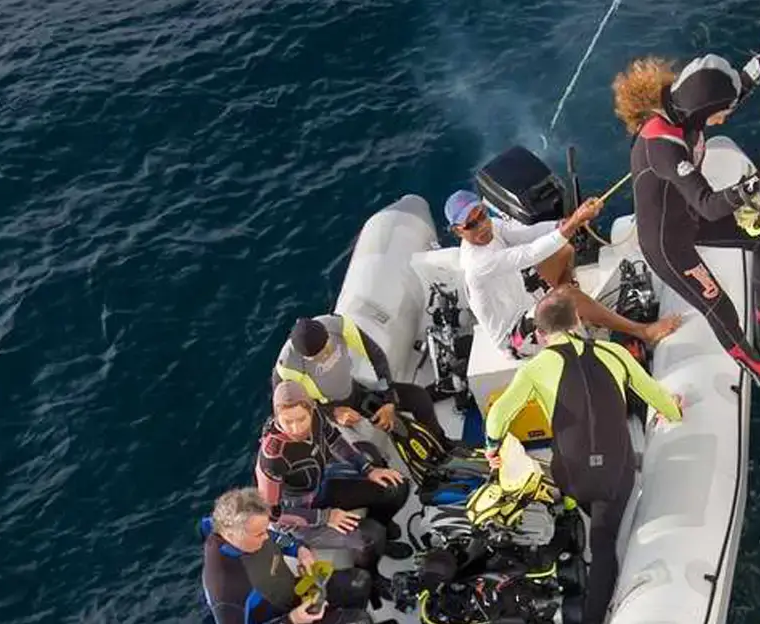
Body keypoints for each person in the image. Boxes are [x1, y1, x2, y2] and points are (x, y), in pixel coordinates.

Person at [485, 290, 683, 624]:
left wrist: (492, 449)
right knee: (604, 544)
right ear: (578, 321)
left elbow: (498, 416)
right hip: (616, 478)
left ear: (541, 335)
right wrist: (673, 411)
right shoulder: (616, 352)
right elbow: (655, 395)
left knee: (577, 491)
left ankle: (575, 528)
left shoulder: (533, 367)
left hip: (571, 478)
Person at [613, 51, 760, 395]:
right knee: (718, 304)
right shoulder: (662, 145)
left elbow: (734, 90)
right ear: (702, 110)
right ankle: (759, 371)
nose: (725, 118)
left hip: (690, 217)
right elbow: (710, 205)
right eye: (721, 113)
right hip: (669, 243)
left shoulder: (686, 110)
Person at [201, 488, 397, 624]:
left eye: (265, 529)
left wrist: (299, 549)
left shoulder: (239, 530)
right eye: (259, 534)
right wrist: (293, 619)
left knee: (360, 581)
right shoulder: (223, 583)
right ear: (231, 535)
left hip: (289, 594)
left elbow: (276, 538)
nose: (266, 537)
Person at [445, 190, 680, 355]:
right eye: (471, 224)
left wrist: (566, 222)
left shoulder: (492, 227)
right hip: (515, 339)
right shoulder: (477, 264)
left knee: (564, 251)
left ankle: (577, 315)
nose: (482, 225)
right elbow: (529, 254)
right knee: (567, 294)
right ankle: (643, 331)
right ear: (458, 231)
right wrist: (575, 221)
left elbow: (529, 233)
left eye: (482, 215)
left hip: (527, 302)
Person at [255, 381, 411, 563]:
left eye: (301, 419)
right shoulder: (273, 457)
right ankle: (372, 570)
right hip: (300, 517)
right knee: (371, 536)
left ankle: (383, 527)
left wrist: (367, 469)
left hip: (321, 486)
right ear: (276, 416)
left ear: (311, 409)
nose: (296, 429)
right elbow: (272, 513)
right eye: (287, 422)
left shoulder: (317, 416)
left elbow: (334, 440)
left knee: (396, 487)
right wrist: (325, 517)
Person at [274, 313, 449, 445]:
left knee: (419, 397)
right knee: (369, 457)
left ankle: (442, 444)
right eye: (316, 357)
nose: (324, 355)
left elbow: (376, 356)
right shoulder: (287, 367)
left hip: (354, 390)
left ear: (327, 335)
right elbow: (291, 413)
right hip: (328, 410)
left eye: (326, 348)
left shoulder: (336, 325)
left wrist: (388, 399)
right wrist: (332, 413)